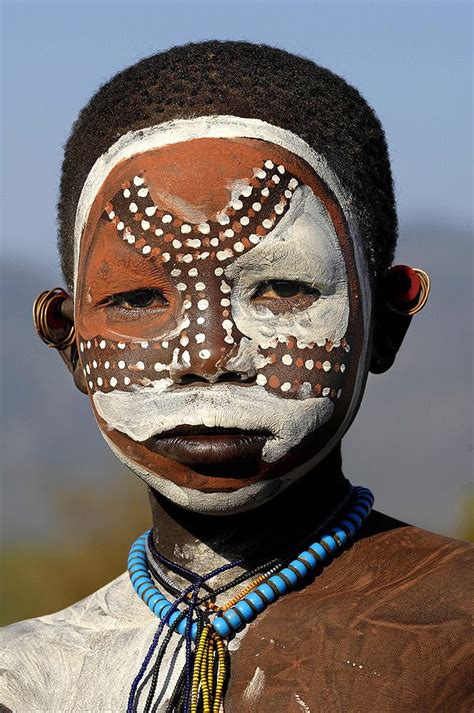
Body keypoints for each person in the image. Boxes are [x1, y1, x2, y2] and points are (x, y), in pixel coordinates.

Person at [1, 41, 472, 713]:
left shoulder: (459, 636)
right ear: (67, 340)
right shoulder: (23, 680)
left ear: (388, 321)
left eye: (282, 289)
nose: (210, 352)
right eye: (137, 300)